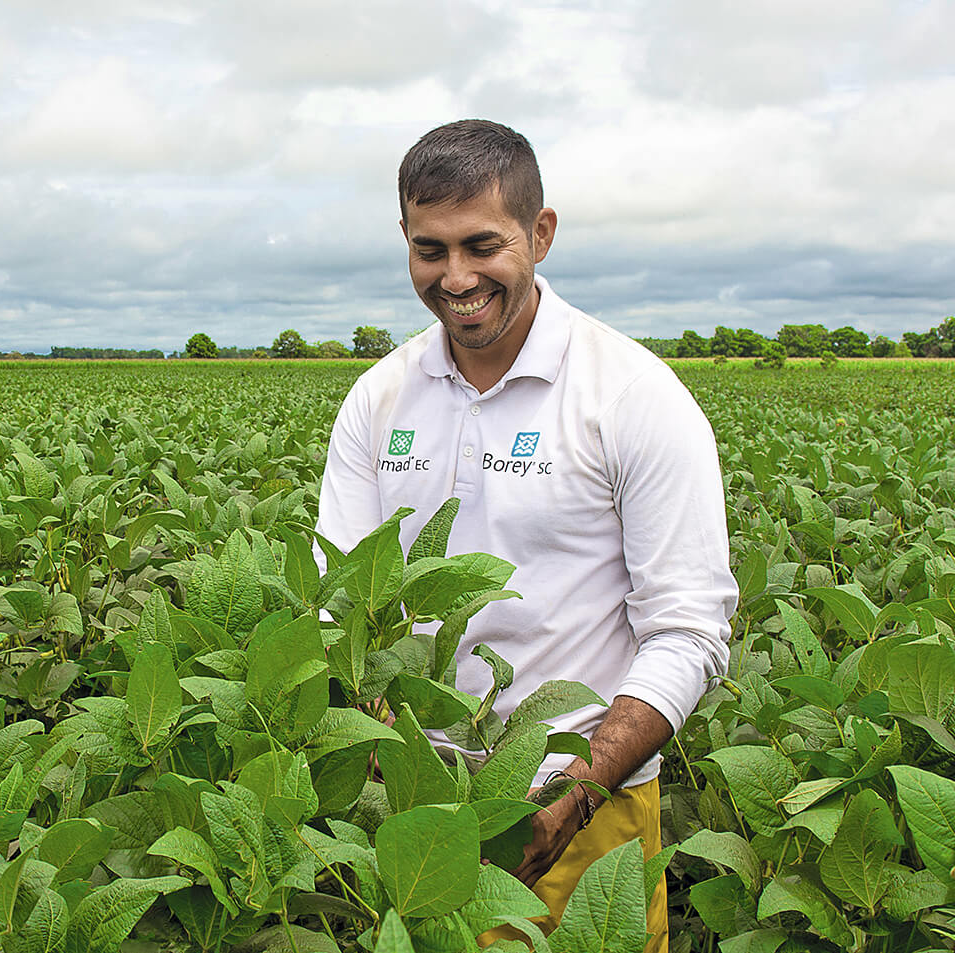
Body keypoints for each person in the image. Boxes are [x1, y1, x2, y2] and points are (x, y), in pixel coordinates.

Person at [315, 119, 737, 952]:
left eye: (482, 244)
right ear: (405, 239)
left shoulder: (631, 395)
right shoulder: (380, 397)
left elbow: (688, 632)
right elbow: (339, 607)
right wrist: (373, 745)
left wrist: (571, 793)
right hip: (414, 806)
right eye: (430, 250)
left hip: (587, 802)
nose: (456, 276)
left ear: (540, 233)